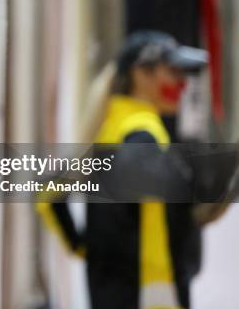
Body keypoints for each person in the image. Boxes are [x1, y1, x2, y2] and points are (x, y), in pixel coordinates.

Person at [38, 30, 232, 309]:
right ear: (142, 74)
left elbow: (49, 195)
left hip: (119, 288)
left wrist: (84, 246)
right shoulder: (142, 135)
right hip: (152, 289)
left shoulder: (110, 128)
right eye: (174, 72)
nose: (182, 83)